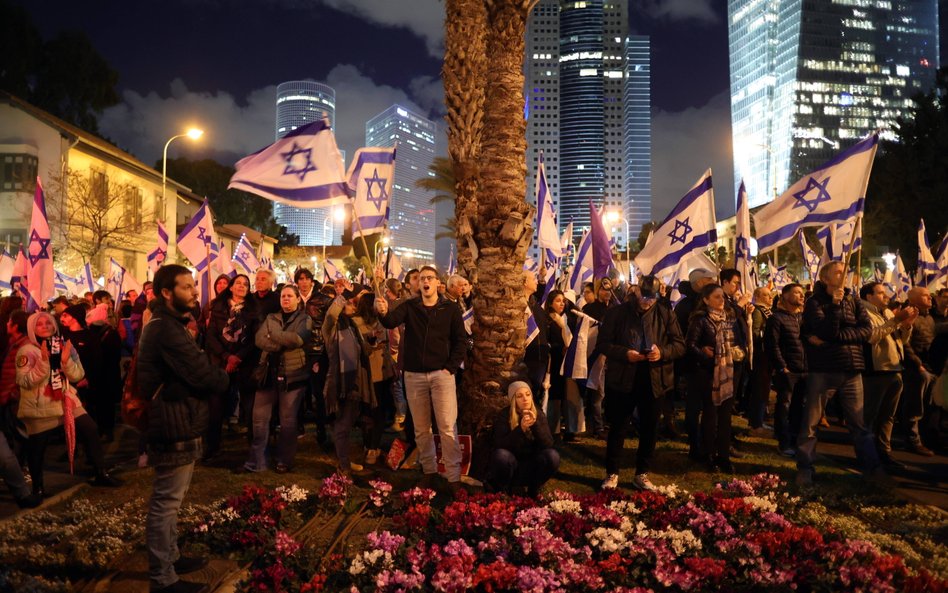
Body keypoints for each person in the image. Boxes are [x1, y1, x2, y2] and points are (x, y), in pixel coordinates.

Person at [138, 264, 229, 593]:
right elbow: (203, 372)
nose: (194, 292)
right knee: (166, 501)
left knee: (172, 500)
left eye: (193, 286)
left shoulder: (171, 324)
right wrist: (221, 378)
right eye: (187, 287)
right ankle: (162, 579)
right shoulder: (166, 328)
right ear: (166, 293)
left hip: (181, 416)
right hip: (172, 421)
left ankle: (171, 556)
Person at [376, 265, 467, 492]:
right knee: (421, 428)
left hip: (441, 375)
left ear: (438, 283)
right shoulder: (410, 306)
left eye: (430, 278)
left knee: (446, 426)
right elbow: (390, 321)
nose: (425, 281)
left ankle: (453, 476)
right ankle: (429, 471)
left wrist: (450, 368)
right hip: (414, 375)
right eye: (422, 278)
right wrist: (383, 311)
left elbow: (461, 341)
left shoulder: (450, 309)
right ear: (418, 284)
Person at [16, 311, 122, 497]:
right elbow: (24, 381)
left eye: (48, 323)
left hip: (66, 399)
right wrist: (43, 363)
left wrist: (66, 362)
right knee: (38, 447)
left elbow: (78, 374)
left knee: (90, 429)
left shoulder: (64, 344)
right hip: (40, 405)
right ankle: (37, 488)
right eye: (39, 324)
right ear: (32, 329)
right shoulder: (27, 351)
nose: (45, 326)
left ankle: (100, 473)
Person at [597, 275, 685, 490]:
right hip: (623, 378)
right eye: (644, 296)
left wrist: (661, 352)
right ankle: (612, 473)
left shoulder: (665, 314)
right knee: (618, 427)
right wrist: (625, 353)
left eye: (651, 298)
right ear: (636, 292)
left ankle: (642, 473)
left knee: (650, 428)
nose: (647, 301)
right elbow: (603, 344)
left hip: (654, 379)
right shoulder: (617, 314)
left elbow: (680, 345)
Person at [797, 261, 880, 486]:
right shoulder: (815, 302)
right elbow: (824, 330)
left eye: (845, 271)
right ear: (825, 278)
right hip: (823, 369)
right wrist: (834, 307)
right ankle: (805, 467)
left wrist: (836, 338)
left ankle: (871, 469)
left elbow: (866, 331)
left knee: (858, 423)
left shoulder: (853, 300)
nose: (843, 274)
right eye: (838, 272)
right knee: (811, 422)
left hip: (852, 369)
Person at [246, 284, 312, 473]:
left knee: (288, 421)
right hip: (268, 374)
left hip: (293, 376)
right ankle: (257, 460)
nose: (286, 299)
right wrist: (281, 344)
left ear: (298, 299)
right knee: (259, 419)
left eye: (290, 296)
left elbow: (298, 340)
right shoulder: (271, 317)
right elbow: (260, 340)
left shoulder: (304, 319)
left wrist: (273, 335)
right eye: (283, 296)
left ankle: (285, 459)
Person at [685, 283, 747, 473]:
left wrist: (738, 352)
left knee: (726, 416)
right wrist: (705, 354)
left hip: (729, 372)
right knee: (710, 415)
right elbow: (690, 345)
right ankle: (708, 454)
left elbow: (739, 340)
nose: (722, 300)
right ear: (706, 300)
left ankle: (724, 456)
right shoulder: (700, 320)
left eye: (722, 296)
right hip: (708, 373)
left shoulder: (731, 318)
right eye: (717, 297)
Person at [860, 281, 916, 470]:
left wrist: (906, 326)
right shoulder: (863, 312)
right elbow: (872, 337)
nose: (886, 297)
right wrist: (895, 321)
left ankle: (885, 452)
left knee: (888, 416)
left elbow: (901, 340)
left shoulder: (888, 312)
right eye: (881, 293)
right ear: (869, 296)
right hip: (876, 371)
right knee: (870, 416)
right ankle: (867, 456)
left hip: (895, 368)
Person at [203, 274, 259, 460]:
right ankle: (212, 447)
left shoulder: (253, 310)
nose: (242, 286)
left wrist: (238, 358)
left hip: (244, 364)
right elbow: (211, 336)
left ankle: (253, 449)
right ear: (231, 287)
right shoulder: (217, 307)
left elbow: (253, 338)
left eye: (246, 284)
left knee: (249, 407)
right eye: (238, 283)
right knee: (216, 407)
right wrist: (227, 357)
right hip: (220, 364)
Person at [323, 285, 376, 473]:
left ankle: (344, 460)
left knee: (348, 422)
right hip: (341, 384)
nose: (354, 305)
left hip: (356, 384)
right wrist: (344, 294)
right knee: (342, 426)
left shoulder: (353, 327)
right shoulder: (331, 328)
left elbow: (363, 351)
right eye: (349, 303)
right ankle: (344, 466)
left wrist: (370, 342)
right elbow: (331, 314)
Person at [486, 381, 559, 496]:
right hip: (511, 465)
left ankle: (533, 489)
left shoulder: (538, 414)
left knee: (553, 456)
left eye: (528, 394)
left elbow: (548, 444)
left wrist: (535, 425)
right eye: (520, 396)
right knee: (501, 455)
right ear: (514, 400)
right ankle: (504, 490)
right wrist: (521, 429)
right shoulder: (505, 415)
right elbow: (499, 445)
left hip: (532, 465)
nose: (525, 399)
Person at [765, 284, 808, 457]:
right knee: (784, 406)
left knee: (799, 407)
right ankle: (783, 442)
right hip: (788, 370)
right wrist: (782, 366)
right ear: (785, 295)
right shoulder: (777, 318)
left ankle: (796, 440)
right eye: (797, 292)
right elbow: (772, 344)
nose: (801, 296)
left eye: (802, 293)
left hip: (805, 369)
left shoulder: (804, 318)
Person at [901, 286, 945, 456]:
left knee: (928, 407)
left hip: (930, 367)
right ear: (914, 299)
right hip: (916, 369)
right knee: (914, 407)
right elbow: (905, 342)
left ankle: (927, 440)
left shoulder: (929, 318)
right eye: (926, 296)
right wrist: (917, 364)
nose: (930, 298)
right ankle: (912, 441)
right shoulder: (911, 315)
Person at [352, 291, 395, 465]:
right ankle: (372, 447)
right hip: (372, 372)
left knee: (370, 411)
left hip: (376, 371)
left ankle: (369, 445)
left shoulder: (374, 320)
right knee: (377, 411)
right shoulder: (359, 323)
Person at [544, 289, 578, 440]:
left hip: (566, 364)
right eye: (558, 301)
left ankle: (569, 431)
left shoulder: (565, 319)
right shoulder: (548, 320)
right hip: (555, 363)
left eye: (563, 301)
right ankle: (553, 431)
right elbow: (547, 342)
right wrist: (560, 348)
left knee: (568, 395)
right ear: (550, 303)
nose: (562, 304)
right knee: (555, 397)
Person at [747, 286, 774, 432]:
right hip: (760, 356)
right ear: (758, 296)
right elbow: (755, 333)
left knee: (764, 388)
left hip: (766, 356)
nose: (770, 298)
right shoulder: (758, 311)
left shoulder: (767, 311)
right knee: (760, 389)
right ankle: (756, 422)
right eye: (767, 295)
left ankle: (759, 419)